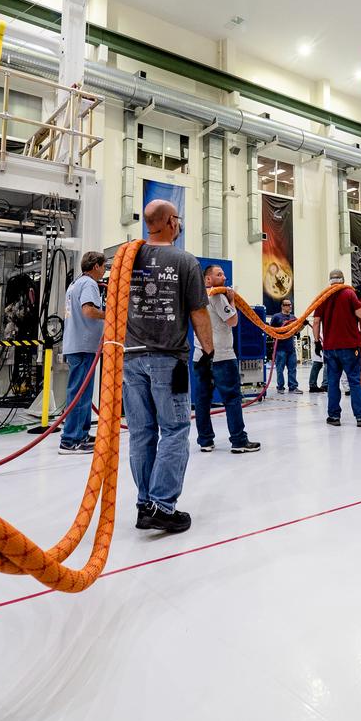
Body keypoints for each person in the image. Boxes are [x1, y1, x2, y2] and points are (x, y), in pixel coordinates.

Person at [122, 200, 211, 534]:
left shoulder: (128, 259)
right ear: (172, 222)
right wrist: (209, 351)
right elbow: (199, 313)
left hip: (130, 359)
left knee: (142, 433)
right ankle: (162, 505)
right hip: (168, 360)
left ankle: (145, 503)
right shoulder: (184, 261)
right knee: (174, 430)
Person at [192, 265, 260, 454]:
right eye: (219, 274)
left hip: (200, 356)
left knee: (202, 399)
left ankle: (205, 441)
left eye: (223, 274)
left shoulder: (196, 296)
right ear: (207, 279)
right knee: (231, 398)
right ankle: (238, 441)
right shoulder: (218, 296)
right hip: (222, 356)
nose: (224, 277)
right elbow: (233, 321)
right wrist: (232, 300)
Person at [56, 251, 105, 453]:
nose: (104, 270)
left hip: (78, 344)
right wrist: (111, 313)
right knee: (79, 393)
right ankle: (71, 440)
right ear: (95, 266)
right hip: (83, 345)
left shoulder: (76, 283)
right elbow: (88, 311)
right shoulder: (89, 284)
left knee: (81, 393)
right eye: (103, 266)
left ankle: (81, 434)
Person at [312, 269, 361, 428]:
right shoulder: (349, 294)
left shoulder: (323, 297)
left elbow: (316, 322)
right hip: (350, 347)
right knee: (355, 382)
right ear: (343, 280)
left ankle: (334, 416)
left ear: (330, 281)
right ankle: (360, 418)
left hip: (330, 348)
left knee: (332, 382)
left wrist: (317, 342)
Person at [267, 298, 302, 393]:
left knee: (292, 368)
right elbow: (271, 330)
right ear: (282, 306)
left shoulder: (293, 318)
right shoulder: (276, 317)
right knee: (280, 369)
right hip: (280, 348)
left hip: (290, 347)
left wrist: (302, 325)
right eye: (287, 305)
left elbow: (297, 331)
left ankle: (293, 386)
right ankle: (280, 387)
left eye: (290, 305)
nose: (289, 306)